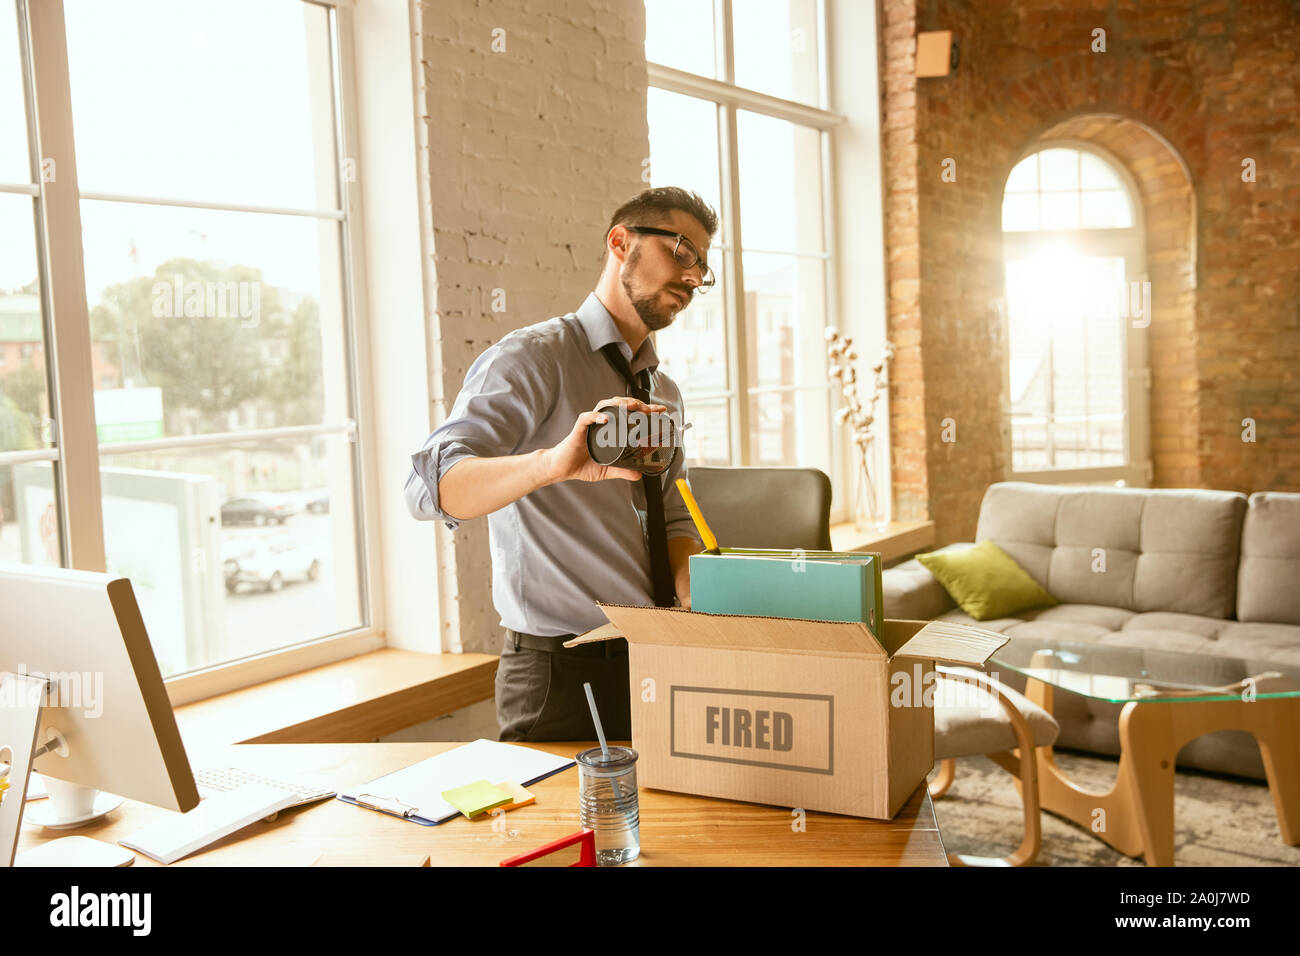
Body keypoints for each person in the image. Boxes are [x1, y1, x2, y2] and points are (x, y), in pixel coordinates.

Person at [404, 186, 718, 741]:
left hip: (655, 661)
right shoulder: (533, 358)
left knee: (669, 830)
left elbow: (671, 515)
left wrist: (696, 577)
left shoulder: (663, 391)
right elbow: (429, 488)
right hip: (560, 674)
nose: (694, 278)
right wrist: (552, 463)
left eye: (703, 268)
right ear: (621, 243)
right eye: (683, 252)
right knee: (565, 832)